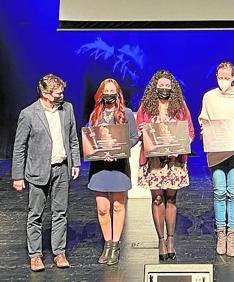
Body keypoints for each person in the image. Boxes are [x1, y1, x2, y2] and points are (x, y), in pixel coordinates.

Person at [12, 74, 81, 271]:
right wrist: (17, 176)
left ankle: (59, 253)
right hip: (38, 171)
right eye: (58, 92)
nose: (62, 95)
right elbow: (19, 147)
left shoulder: (67, 109)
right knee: (36, 214)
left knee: (60, 212)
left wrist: (75, 163)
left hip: (61, 168)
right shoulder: (29, 113)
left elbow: (72, 138)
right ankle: (35, 255)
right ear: (45, 93)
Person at [136, 70, 194, 261]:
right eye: (161, 86)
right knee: (157, 199)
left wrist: (181, 145)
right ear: (155, 87)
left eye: (167, 86)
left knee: (171, 198)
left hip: (174, 161)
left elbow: (190, 132)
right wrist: (142, 132)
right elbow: (138, 131)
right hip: (154, 162)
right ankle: (160, 240)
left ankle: (171, 239)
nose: (164, 89)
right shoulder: (146, 107)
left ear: (173, 88)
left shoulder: (180, 106)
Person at [199, 62, 234, 257]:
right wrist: (205, 129)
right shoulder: (209, 97)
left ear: (233, 76)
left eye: (226, 77)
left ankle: (232, 234)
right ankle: (221, 233)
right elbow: (203, 120)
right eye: (220, 77)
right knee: (219, 191)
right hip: (216, 150)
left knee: (233, 192)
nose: (223, 81)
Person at [86, 78, 139, 265]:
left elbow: (134, 137)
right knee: (102, 208)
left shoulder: (127, 114)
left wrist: (119, 150)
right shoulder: (95, 115)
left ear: (118, 94)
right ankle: (107, 243)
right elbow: (88, 138)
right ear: (101, 94)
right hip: (99, 167)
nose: (109, 94)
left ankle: (115, 244)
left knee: (118, 205)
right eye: (106, 91)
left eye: (112, 91)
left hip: (119, 166)